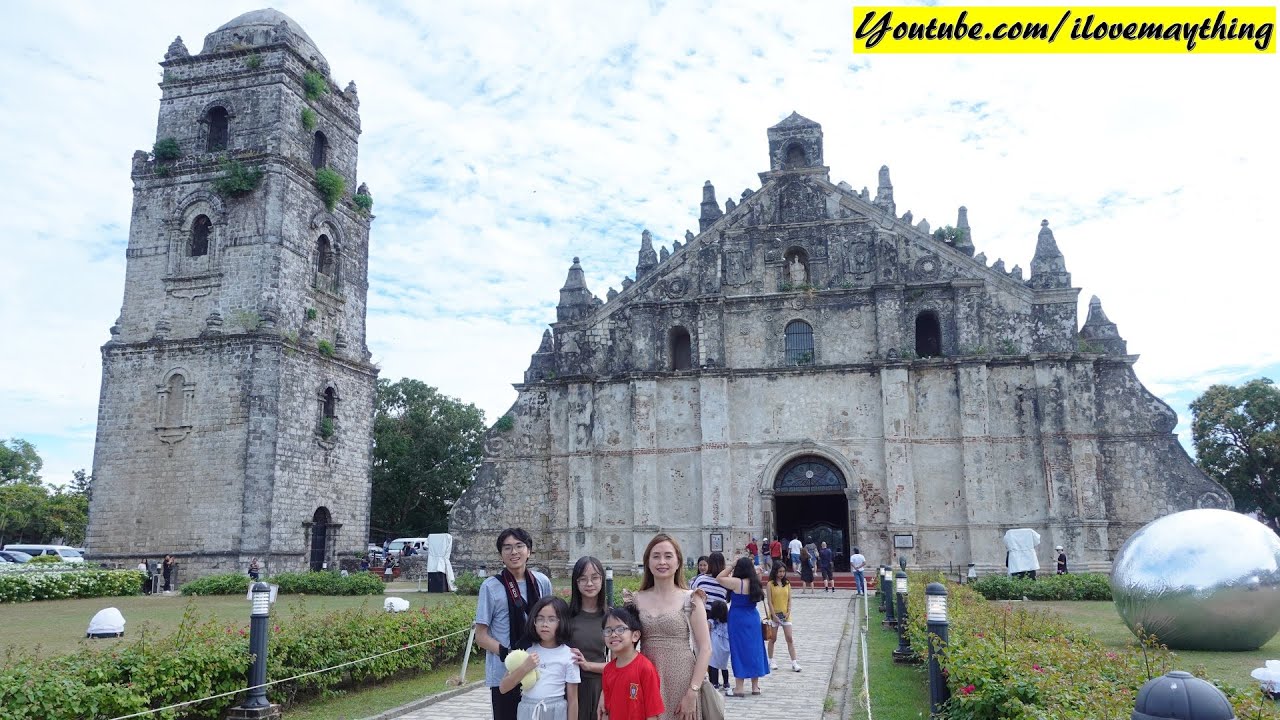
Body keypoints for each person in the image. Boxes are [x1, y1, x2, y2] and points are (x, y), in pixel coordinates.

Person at [476, 528, 554, 720]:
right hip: (504, 672)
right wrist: (509, 655)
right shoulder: (490, 586)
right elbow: (481, 636)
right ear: (501, 554)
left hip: (539, 668)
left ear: (529, 551)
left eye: (519, 546)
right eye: (507, 548)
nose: (514, 552)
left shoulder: (541, 582)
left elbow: (552, 623)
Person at [631, 533, 710, 720]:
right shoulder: (635, 599)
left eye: (668, 556)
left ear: (678, 561)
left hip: (682, 680)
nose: (662, 562)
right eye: (656, 556)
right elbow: (625, 647)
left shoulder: (691, 598)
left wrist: (693, 691)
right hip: (645, 678)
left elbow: (705, 648)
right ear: (648, 562)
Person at [499, 596, 579, 720]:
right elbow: (503, 688)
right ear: (534, 621)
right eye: (540, 619)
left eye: (551, 619)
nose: (544, 624)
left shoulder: (569, 655)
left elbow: (573, 700)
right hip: (528, 711)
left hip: (555, 712)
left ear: (562, 622)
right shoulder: (526, 652)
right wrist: (524, 668)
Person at [713, 556, 770, 696]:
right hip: (753, 618)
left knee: (738, 651)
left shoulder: (737, 583)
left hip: (737, 619)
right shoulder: (755, 582)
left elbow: (719, 578)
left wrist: (732, 565)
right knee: (755, 650)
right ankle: (755, 687)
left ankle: (739, 687)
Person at [601, 606, 664, 720]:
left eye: (620, 629)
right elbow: (607, 711)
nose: (613, 634)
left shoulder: (645, 668)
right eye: (608, 630)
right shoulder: (608, 670)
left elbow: (652, 714)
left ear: (635, 636)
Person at [567, 556, 608, 720]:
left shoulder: (611, 617)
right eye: (583, 579)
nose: (589, 583)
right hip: (571, 688)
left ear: (602, 580)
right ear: (576, 583)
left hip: (601, 688)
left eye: (595, 578)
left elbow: (619, 665)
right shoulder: (566, 616)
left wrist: (588, 665)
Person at [766, 564, 801, 672]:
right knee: (773, 639)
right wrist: (773, 615)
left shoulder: (787, 584)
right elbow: (769, 601)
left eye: (783, 571)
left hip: (786, 615)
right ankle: (771, 660)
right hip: (774, 615)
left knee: (789, 638)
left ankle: (794, 662)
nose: (781, 574)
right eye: (779, 571)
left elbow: (789, 599)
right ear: (775, 572)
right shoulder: (770, 584)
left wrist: (788, 611)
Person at [705, 600, 731, 691]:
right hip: (725, 647)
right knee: (724, 666)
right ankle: (726, 683)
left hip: (714, 646)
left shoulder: (710, 622)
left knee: (713, 664)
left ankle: (715, 683)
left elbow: (707, 633)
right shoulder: (727, 622)